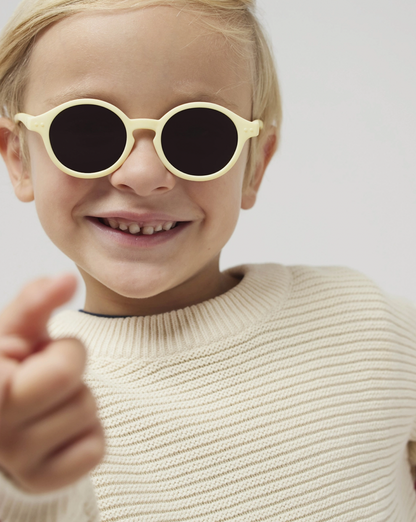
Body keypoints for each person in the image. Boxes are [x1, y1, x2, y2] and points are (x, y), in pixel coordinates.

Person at [0, 0, 415, 520]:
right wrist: (21, 481)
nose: (143, 173)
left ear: (253, 166)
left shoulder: (368, 322)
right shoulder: (36, 407)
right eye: (87, 130)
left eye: (198, 134)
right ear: (18, 156)